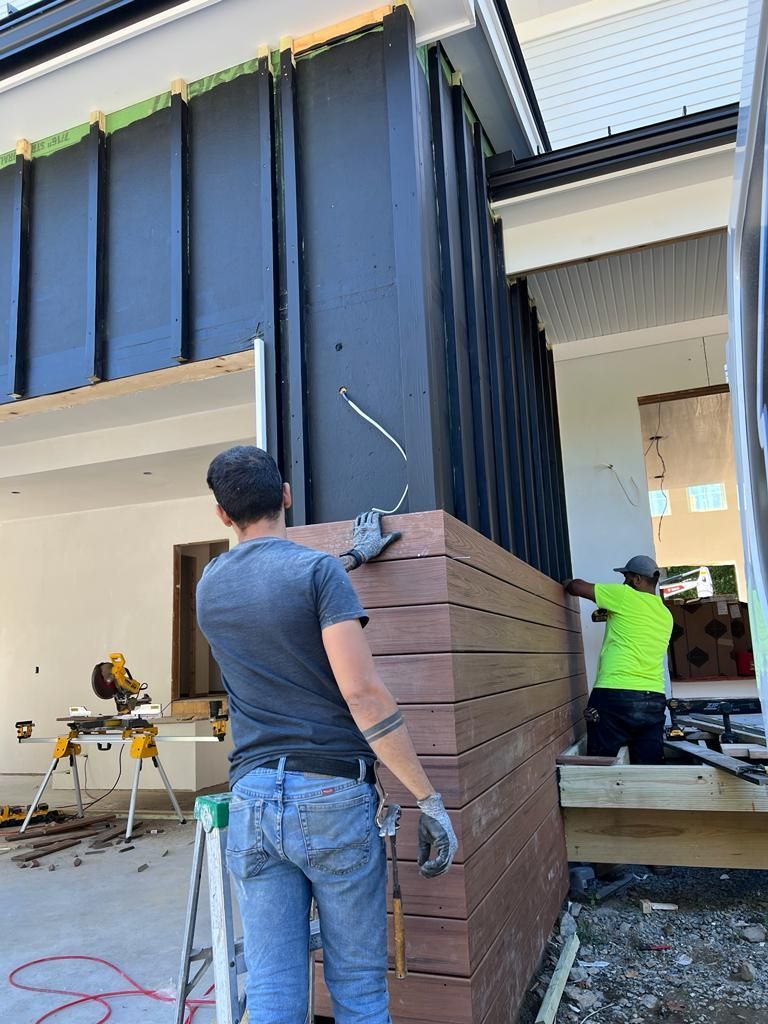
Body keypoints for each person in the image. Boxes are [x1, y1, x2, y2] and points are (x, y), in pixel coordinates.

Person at [195, 445, 458, 1024]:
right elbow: (363, 694)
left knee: (271, 991)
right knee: (358, 992)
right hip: (332, 797)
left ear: (221, 515)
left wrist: (347, 562)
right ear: (285, 495)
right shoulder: (314, 574)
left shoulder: (210, 584)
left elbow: (273, 590)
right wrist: (427, 797)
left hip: (253, 802)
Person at [564, 555, 674, 765]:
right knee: (649, 767)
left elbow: (577, 587)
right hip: (653, 700)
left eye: (626, 577)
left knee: (603, 766)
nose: (624, 582)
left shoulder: (625, 596)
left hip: (615, 694)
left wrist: (566, 583)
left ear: (638, 580)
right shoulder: (665, 614)